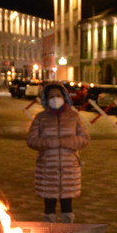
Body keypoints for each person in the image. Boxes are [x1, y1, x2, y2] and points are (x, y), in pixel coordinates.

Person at [26, 82, 90, 223]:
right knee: (49, 206)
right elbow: (31, 140)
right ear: (46, 99)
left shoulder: (74, 117)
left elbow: (85, 139)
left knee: (67, 205)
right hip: (48, 168)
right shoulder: (41, 118)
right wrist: (50, 143)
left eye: (58, 95)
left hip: (69, 168)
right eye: (51, 96)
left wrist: (66, 142)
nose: (55, 98)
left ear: (64, 97)